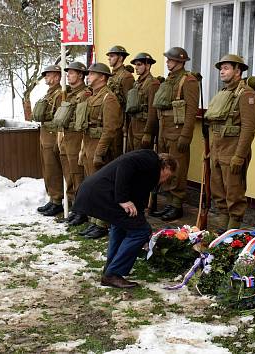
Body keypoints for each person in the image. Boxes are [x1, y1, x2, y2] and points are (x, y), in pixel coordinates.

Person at [72, 151, 177, 288]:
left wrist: (138, 215)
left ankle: (111, 268)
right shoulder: (150, 160)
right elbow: (125, 164)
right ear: (166, 167)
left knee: (122, 227)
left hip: (98, 192)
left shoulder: (148, 171)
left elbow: (137, 197)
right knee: (141, 231)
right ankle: (113, 274)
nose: (164, 181)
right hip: (103, 194)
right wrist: (123, 199)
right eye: (167, 177)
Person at [205, 54, 255, 231]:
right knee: (218, 189)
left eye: (226, 67)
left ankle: (233, 228)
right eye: (221, 68)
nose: (222, 71)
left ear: (238, 71)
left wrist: (239, 155)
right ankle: (223, 223)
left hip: (233, 150)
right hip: (217, 150)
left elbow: (249, 128)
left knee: (234, 191)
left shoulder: (246, 94)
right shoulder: (223, 93)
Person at [150, 47, 199, 221]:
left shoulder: (189, 81)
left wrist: (186, 136)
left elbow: (192, 110)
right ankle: (170, 204)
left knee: (178, 170)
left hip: (178, 132)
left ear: (180, 61)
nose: (167, 62)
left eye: (170, 60)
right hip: (165, 130)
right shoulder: (169, 80)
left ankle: (176, 206)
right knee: (166, 169)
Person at [77, 63, 123, 239]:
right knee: (91, 184)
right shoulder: (92, 96)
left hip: (99, 145)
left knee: (101, 187)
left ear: (102, 77)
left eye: (92, 73)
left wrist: (100, 152)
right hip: (89, 142)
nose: (88, 76)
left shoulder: (108, 98)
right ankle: (95, 221)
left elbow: (110, 128)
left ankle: (102, 223)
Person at [56, 61, 91, 226]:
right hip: (66, 136)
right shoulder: (69, 94)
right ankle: (73, 206)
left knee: (78, 174)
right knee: (69, 173)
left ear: (81, 75)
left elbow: (80, 119)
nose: (68, 75)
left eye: (71, 72)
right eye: (68, 72)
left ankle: (81, 210)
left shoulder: (85, 94)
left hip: (77, 137)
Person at [34, 65, 65, 217]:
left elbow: (60, 117)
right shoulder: (49, 93)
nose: (46, 77)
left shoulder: (59, 94)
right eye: (45, 75)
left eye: (49, 75)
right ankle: (53, 198)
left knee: (53, 168)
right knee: (47, 168)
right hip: (45, 133)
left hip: (52, 135)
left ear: (58, 77)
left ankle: (57, 200)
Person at [126, 52, 160, 151]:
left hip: (143, 129)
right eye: (135, 65)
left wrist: (148, 133)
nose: (136, 67)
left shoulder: (153, 83)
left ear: (148, 65)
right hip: (133, 127)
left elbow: (152, 111)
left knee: (140, 160)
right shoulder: (137, 83)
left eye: (139, 64)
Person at [106, 45, 135, 153]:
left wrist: (126, 125)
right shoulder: (110, 76)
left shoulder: (126, 77)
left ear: (121, 58)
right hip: (110, 119)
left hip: (120, 121)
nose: (109, 58)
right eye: (109, 56)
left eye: (112, 56)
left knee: (117, 152)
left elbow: (130, 104)